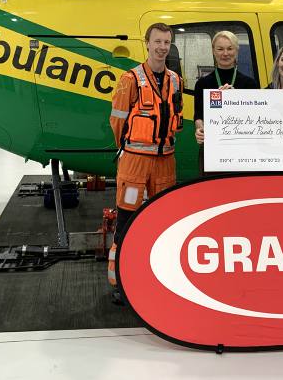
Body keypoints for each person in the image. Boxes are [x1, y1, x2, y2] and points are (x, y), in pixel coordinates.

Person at [107, 22, 184, 303]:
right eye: (158, 42)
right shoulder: (130, 80)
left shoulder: (176, 80)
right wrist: (130, 148)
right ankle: (121, 284)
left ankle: (158, 276)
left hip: (165, 162)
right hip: (135, 165)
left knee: (163, 219)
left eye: (167, 42)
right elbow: (117, 121)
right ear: (147, 43)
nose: (163, 47)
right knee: (127, 221)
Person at [193, 31, 258, 173]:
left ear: (237, 51)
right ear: (213, 51)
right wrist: (200, 129)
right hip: (211, 150)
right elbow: (198, 116)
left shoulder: (250, 84)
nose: (225, 53)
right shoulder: (202, 84)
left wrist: (236, 101)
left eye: (230, 48)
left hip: (242, 152)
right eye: (220, 49)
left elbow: (255, 119)